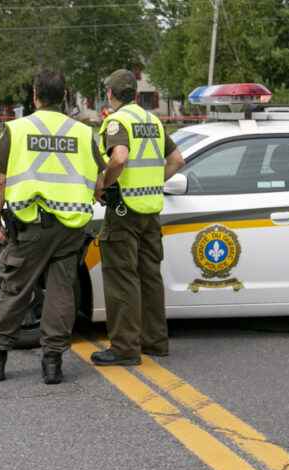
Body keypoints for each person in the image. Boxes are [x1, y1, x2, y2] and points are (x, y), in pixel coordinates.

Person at [0, 69, 106, 384]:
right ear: (65, 97)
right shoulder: (82, 133)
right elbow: (100, 181)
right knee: (61, 292)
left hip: (31, 227)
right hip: (70, 229)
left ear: (35, 95)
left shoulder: (17, 130)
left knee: (15, 288)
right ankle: (52, 364)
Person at [90, 69, 185, 366]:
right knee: (149, 278)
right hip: (151, 209)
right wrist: (155, 181)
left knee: (122, 279)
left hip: (124, 211)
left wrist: (104, 183)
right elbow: (177, 160)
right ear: (135, 93)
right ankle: (155, 342)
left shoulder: (117, 121)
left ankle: (124, 348)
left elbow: (119, 157)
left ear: (110, 94)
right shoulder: (153, 121)